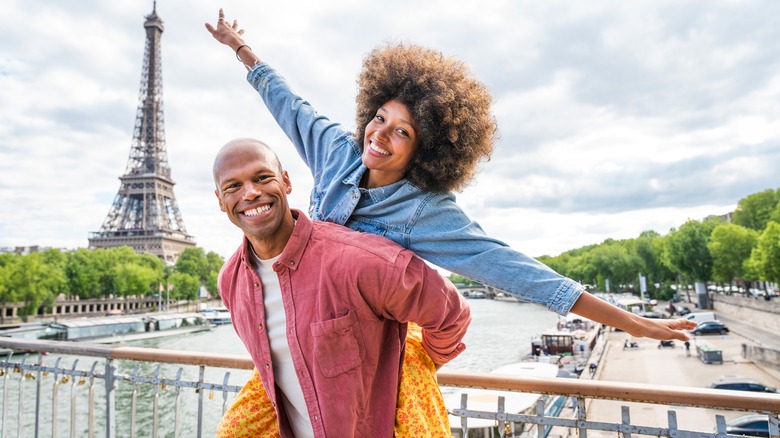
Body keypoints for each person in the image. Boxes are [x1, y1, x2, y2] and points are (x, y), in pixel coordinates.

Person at [205, 9, 698, 435]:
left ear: (427, 149)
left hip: (379, 345)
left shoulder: (427, 211)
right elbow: (290, 104)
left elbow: (523, 274)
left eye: (403, 132)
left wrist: (638, 323)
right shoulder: (337, 150)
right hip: (318, 330)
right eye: (379, 118)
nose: (381, 136)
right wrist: (240, 48)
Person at [213, 138, 471, 437]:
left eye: (262, 177)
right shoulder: (231, 281)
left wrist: (414, 367)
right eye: (233, 186)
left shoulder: (361, 260)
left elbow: (451, 314)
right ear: (220, 200)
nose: (251, 193)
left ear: (285, 182)